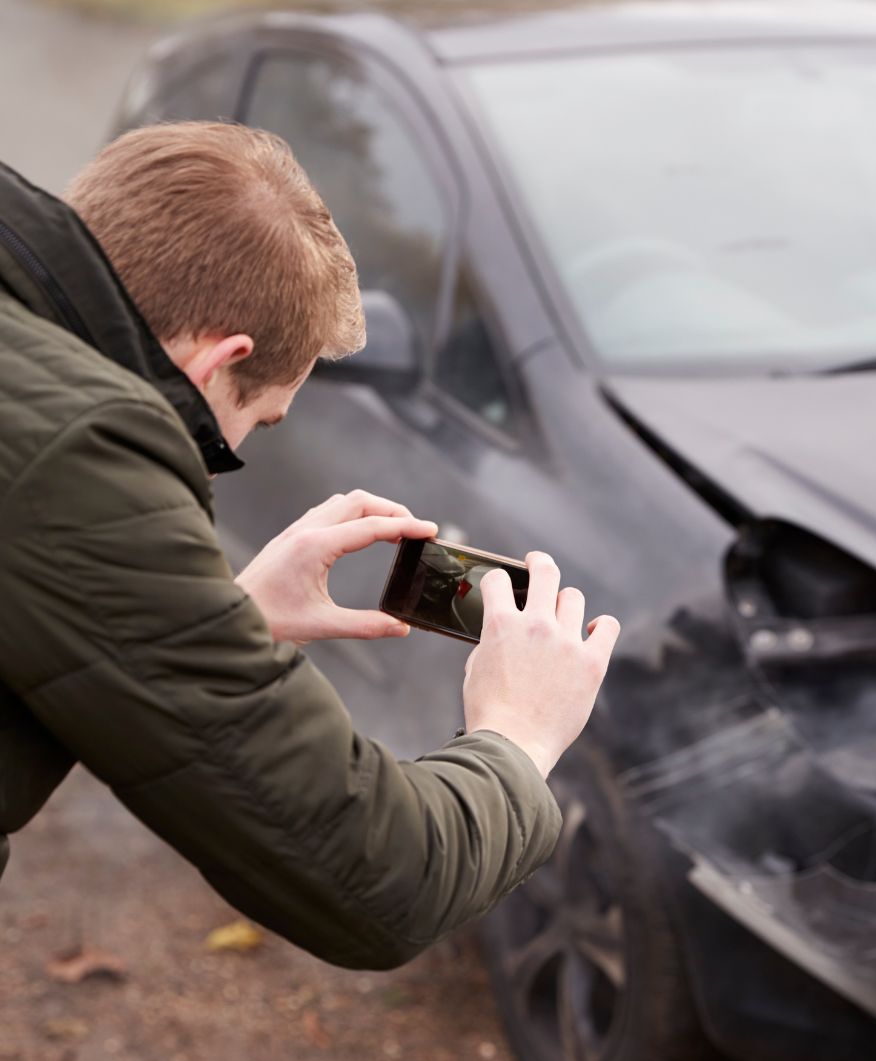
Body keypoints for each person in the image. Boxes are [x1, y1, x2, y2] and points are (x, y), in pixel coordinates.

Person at [0, 122, 620, 968]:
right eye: (243, 430)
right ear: (218, 363)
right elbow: (379, 878)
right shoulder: (82, 451)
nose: (216, 471)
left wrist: (220, 617)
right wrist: (519, 734)